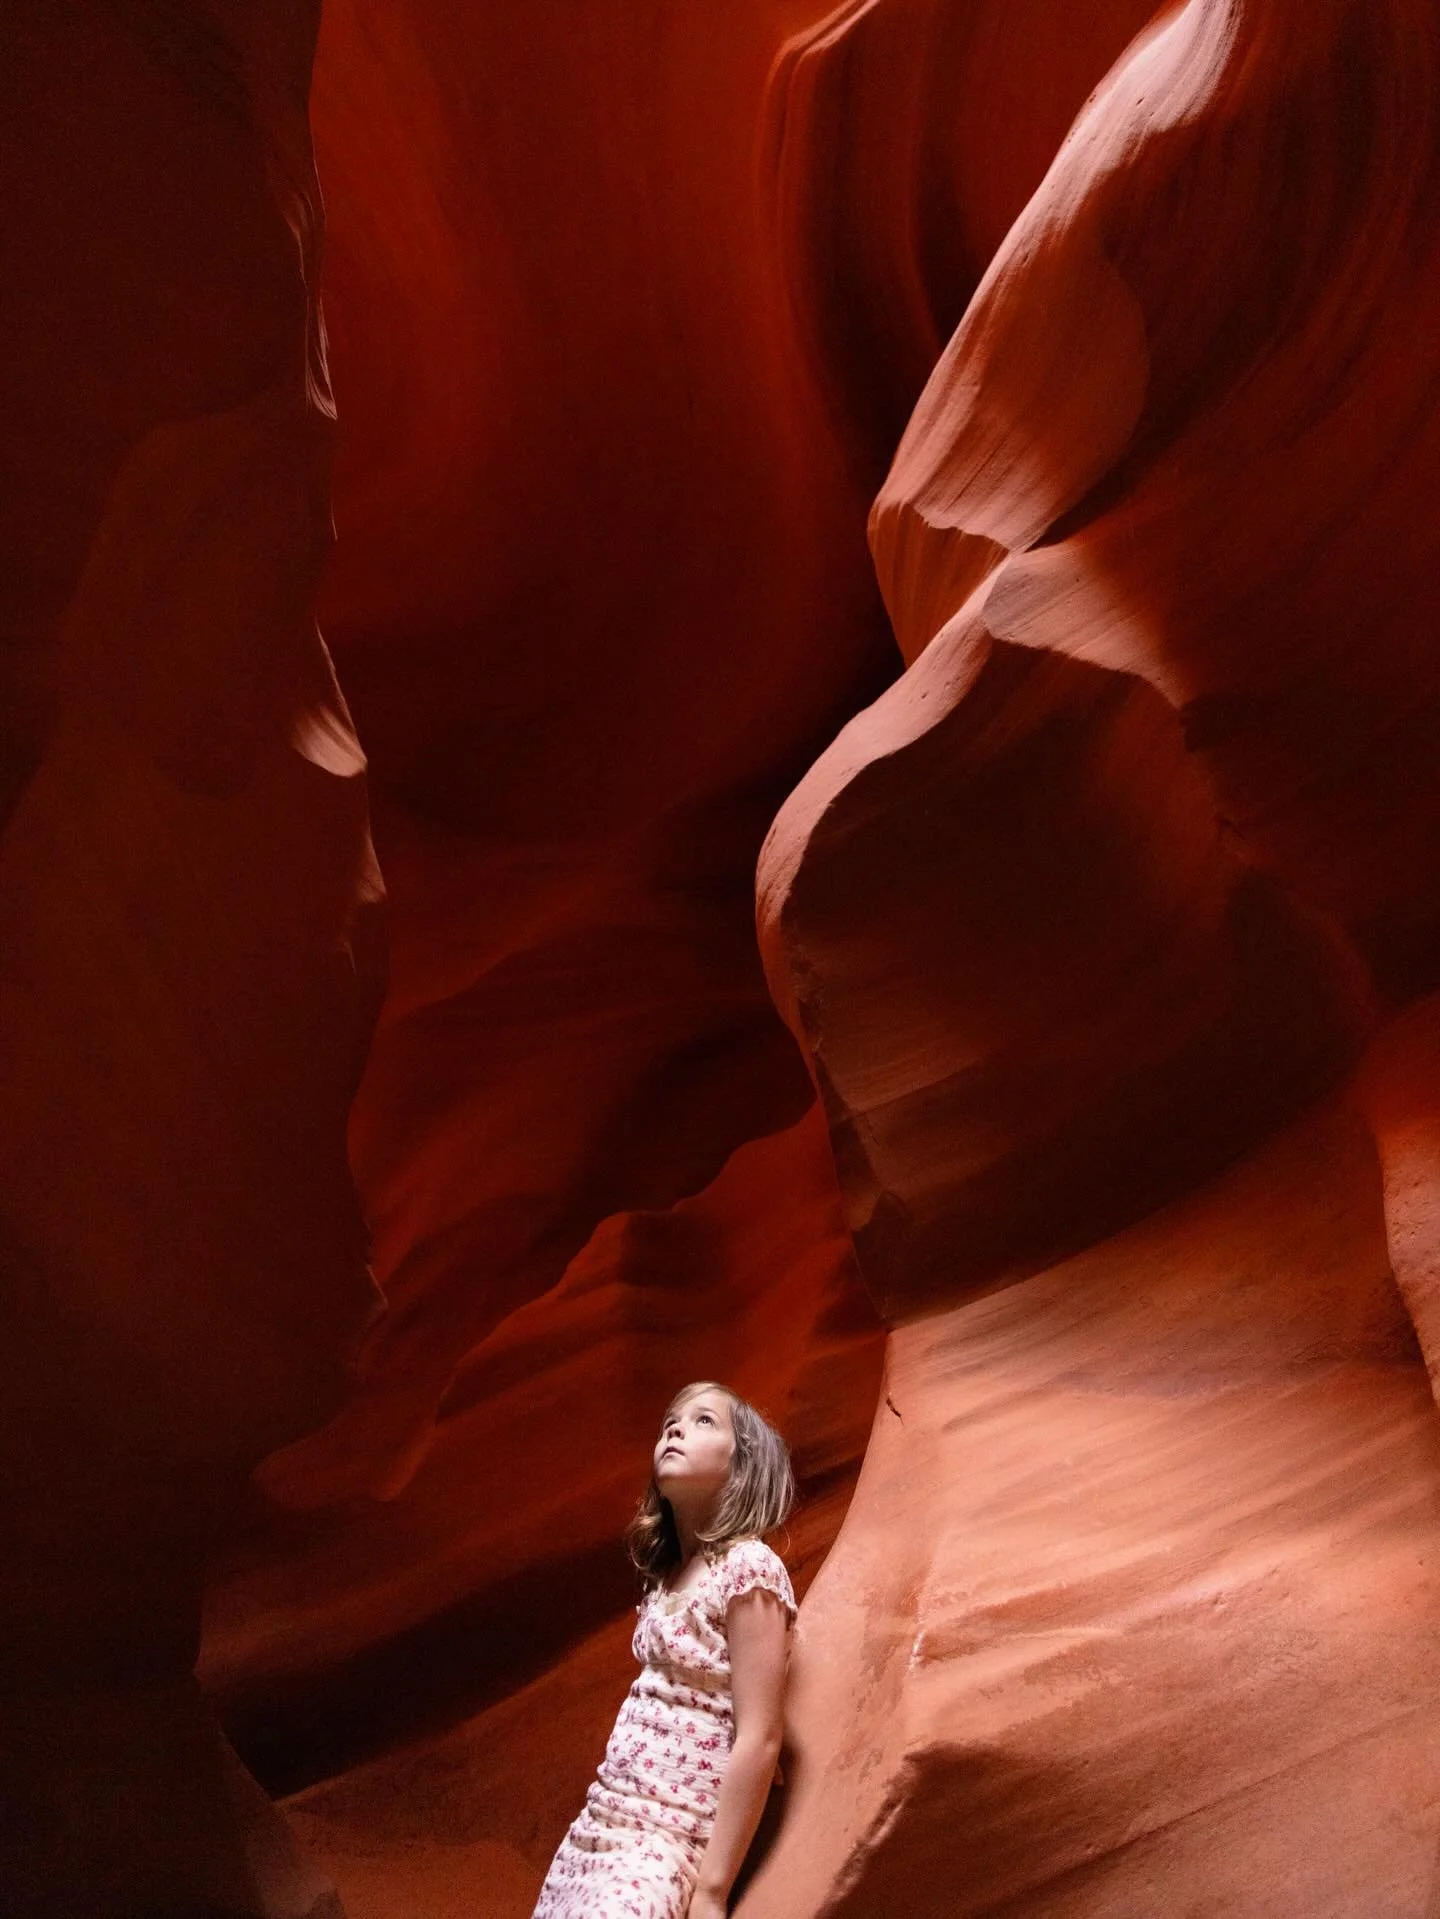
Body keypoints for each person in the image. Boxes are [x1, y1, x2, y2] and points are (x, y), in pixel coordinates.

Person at [532, 1380, 797, 1918]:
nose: (675, 1430)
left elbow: (761, 1735)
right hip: (599, 1825)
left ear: (743, 1465)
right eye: (670, 1423)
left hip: (666, 1838)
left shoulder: (748, 1567)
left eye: (704, 1421)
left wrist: (712, 1890)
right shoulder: (668, 1579)